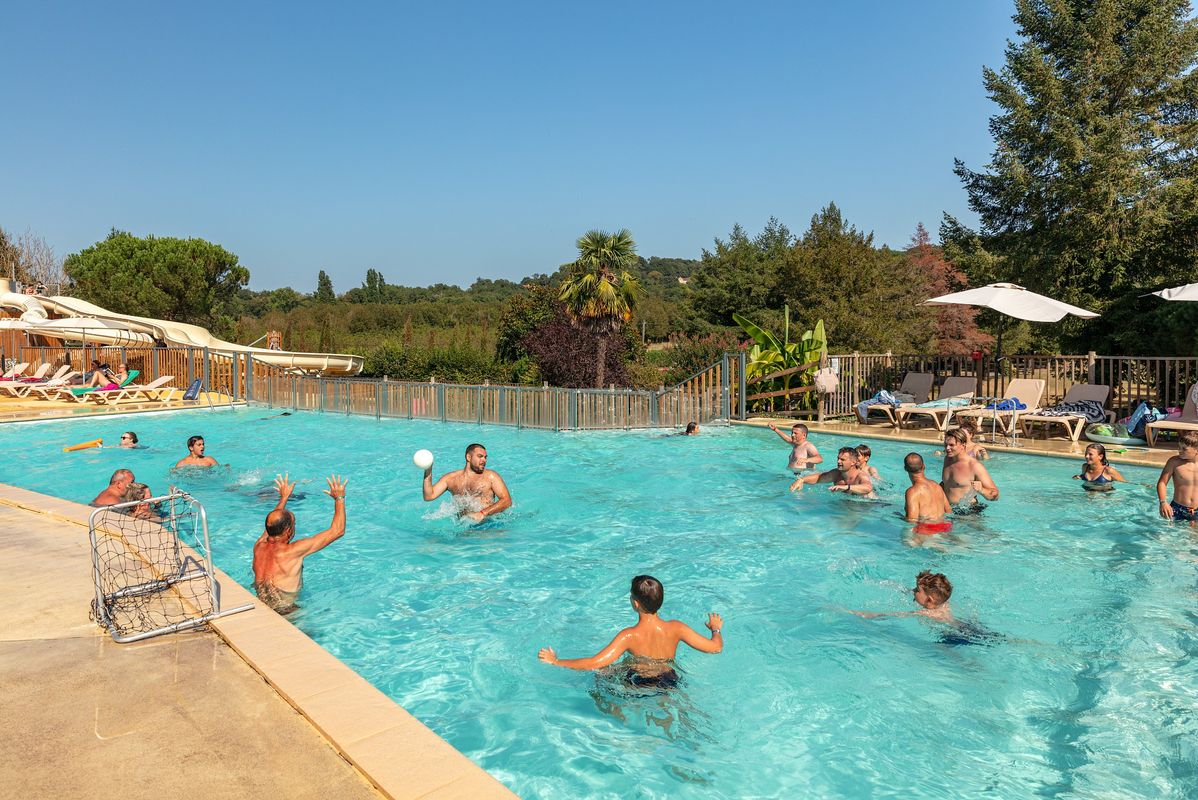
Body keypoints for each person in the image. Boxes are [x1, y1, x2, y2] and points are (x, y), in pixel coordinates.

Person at [538, 575, 723, 686]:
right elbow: (715, 648)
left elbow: (594, 663)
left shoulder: (629, 636)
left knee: (600, 677)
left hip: (637, 682)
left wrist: (556, 662)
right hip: (669, 681)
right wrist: (715, 629)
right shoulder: (677, 628)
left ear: (635, 603)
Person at [252, 473, 348, 614]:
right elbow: (338, 531)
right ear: (288, 530)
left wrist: (284, 497)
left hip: (261, 604)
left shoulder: (259, 546)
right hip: (286, 611)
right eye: (294, 523)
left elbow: (272, 522)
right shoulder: (293, 551)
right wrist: (339, 498)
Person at [422, 443, 512, 522]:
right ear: (468, 457)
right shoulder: (451, 479)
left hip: (488, 524)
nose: (484, 460)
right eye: (480, 456)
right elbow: (429, 496)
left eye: (485, 457)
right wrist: (428, 470)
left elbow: (507, 501)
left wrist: (482, 513)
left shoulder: (491, 476)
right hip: (463, 524)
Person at [854, 571, 954, 623]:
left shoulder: (927, 613)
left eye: (917, 590)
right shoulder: (942, 603)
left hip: (952, 637)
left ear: (929, 600)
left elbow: (893, 615)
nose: (913, 591)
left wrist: (867, 614)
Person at [941, 428, 999, 513]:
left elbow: (995, 495)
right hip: (949, 510)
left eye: (951, 445)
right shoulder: (948, 459)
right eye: (946, 445)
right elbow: (949, 484)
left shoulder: (974, 466)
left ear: (963, 445)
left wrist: (981, 490)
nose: (947, 448)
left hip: (968, 513)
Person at [790, 446, 874, 495]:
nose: (838, 461)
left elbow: (868, 488)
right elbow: (819, 477)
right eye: (838, 458)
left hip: (868, 505)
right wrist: (802, 480)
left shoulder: (860, 476)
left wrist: (846, 487)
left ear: (853, 462)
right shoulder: (836, 473)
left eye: (842, 459)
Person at [903, 453, 952, 534]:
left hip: (928, 530)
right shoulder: (936, 485)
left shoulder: (912, 492)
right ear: (924, 466)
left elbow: (912, 521)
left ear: (905, 469)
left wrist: (899, 517)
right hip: (945, 527)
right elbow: (949, 511)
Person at [1156, 431, 1198, 524]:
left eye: (1184, 449)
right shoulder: (1174, 462)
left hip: (1196, 511)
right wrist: (1163, 502)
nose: (1180, 450)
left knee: (1193, 537)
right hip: (1177, 509)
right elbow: (1162, 483)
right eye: (1179, 447)